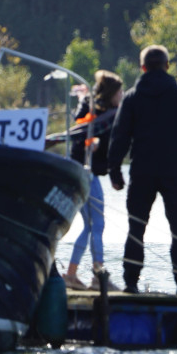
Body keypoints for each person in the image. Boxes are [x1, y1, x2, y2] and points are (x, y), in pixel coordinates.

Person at [107, 45, 177, 296]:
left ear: (143, 68)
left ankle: (131, 283)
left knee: (136, 228)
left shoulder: (131, 98)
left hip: (141, 172)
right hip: (174, 173)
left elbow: (119, 137)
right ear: (167, 65)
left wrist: (114, 171)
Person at [64, 70, 124, 291]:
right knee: (97, 224)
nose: (122, 95)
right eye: (120, 92)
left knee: (89, 226)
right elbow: (85, 133)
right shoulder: (103, 114)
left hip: (75, 171)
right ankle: (99, 276)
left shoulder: (92, 106)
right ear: (112, 94)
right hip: (86, 172)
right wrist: (94, 142)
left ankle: (71, 274)